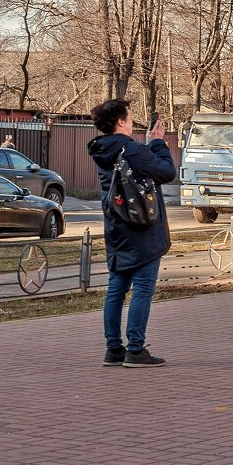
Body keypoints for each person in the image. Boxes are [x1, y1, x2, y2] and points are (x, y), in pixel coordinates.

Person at [87, 100, 176, 368]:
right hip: (142, 227)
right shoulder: (132, 149)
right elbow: (166, 172)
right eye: (129, 117)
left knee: (116, 289)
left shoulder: (102, 149)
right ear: (121, 122)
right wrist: (157, 142)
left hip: (117, 227)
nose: (131, 119)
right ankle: (135, 349)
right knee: (142, 289)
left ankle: (113, 349)